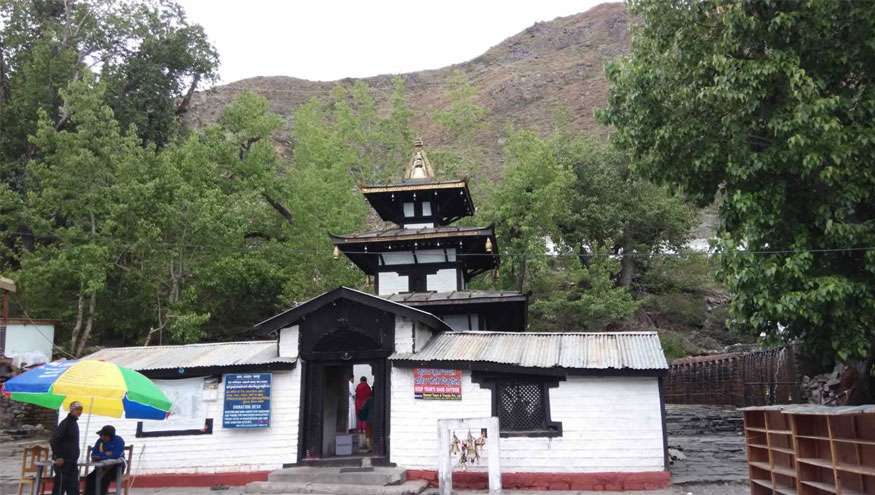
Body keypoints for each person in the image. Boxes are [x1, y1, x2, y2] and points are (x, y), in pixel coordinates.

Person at [50, 401, 82, 495]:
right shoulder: (65, 423)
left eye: (81, 409)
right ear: (72, 410)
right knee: (60, 489)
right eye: (77, 409)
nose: (79, 411)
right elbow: (54, 440)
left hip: (72, 462)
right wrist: (58, 456)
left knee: (73, 489)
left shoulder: (74, 423)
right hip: (63, 462)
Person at [84, 425, 125, 495]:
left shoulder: (119, 440)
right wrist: (106, 455)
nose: (101, 437)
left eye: (104, 435)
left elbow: (117, 454)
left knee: (103, 479)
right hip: (101, 467)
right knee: (90, 478)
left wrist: (101, 455)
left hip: (116, 468)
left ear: (110, 436)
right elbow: (94, 454)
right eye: (101, 435)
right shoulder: (100, 441)